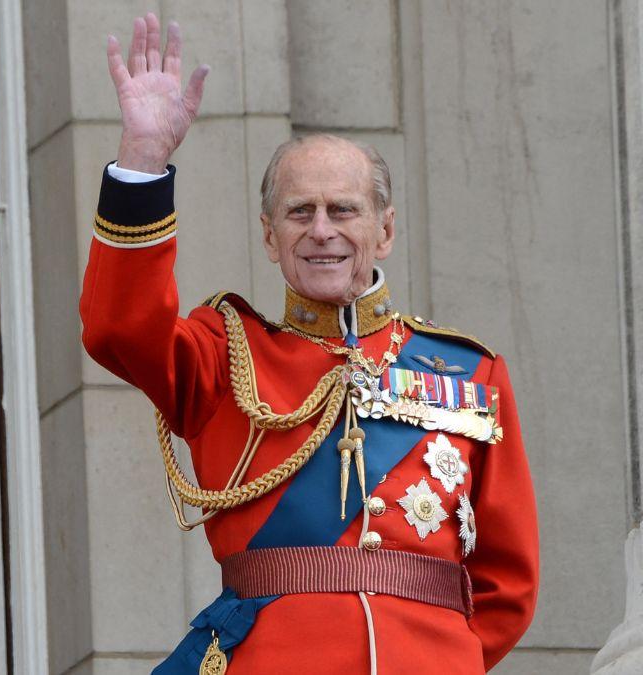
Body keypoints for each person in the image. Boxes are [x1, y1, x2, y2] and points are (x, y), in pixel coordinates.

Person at [80, 14, 538, 674]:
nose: (321, 230)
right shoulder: (224, 356)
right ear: (271, 237)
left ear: (384, 231)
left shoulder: (472, 374)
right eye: (300, 212)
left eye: (342, 210)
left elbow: (507, 583)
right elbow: (117, 326)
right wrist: (144, 161)